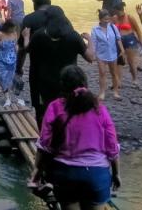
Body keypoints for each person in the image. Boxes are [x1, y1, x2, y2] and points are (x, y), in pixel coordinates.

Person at [32, 65, 121, 210]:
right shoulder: (99, 108)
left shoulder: (55, 107)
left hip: (65, 175)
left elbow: (44, 145)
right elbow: (112, 146)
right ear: (85, 83)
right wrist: (116, 174)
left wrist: (36, 174)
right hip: (96, 176)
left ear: (62, 86)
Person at [24, 5, 95, 126]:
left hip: (45, 82)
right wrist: (90, 40)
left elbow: (27, 49)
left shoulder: (39, 35)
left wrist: (26, 36)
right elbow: (90, 57)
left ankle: (47, 133)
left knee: (47, 112)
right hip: (68, 82)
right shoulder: (73, 36)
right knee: (67, 111)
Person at [16, 0, 53, 100]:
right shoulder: (59, 17)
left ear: (34, 3)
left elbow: (22, 49)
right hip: (58, 67)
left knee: (38, 101)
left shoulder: (29, 19)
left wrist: (18, 69)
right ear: (49, 1)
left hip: (37, 68)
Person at [0, 19, 24, 107]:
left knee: (11, 78)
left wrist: (16, 48)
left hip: (12, 60)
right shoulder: (0, 34)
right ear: (7, 27)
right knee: (2, 79)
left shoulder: (15, 33)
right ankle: (7, 98)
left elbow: (15, 44)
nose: (14, 30)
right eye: (13, 28)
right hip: (0, 60)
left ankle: (14, 97)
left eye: (15, 28)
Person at [90, 9, 125, 101]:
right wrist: (93, 54)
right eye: (105, 19)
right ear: (100, 19)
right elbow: (94, 43)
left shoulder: (113, 27)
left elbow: (118, 39)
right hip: (100, 54)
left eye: (108, 19)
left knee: (114, 73)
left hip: (113, 54)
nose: (107, 21)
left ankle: (116, 92)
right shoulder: (95, 29)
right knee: (102, 73)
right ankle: (102, 92)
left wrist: (122, 50)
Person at [112, 2, 142, 86]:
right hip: (118, 40)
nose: (119, 14)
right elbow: (110, 30)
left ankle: (135, 79)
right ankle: (118, 81)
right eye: (117, 12)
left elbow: (138, 30)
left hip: (130, 39)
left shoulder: (130, 17)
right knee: (119, 61)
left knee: (131, 61)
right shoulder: (114, 18)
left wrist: (141, 43)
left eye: (120, 12)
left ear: (123, 10)